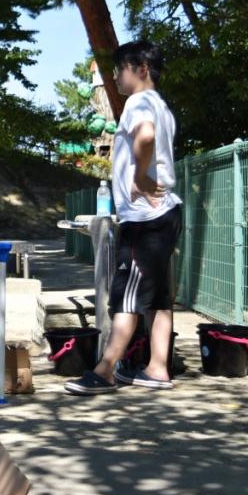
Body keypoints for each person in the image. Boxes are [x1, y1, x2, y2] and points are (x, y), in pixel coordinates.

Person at [65, 41, 183, 395]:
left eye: (120, 69)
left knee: (127, 295)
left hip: (146, 219)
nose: (115, 77)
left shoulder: (139, 102)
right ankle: (157, 368)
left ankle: (105, 370)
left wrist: (140, 177)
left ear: (141, 70)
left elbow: (144, 137)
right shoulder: (162, 107)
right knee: (158, 296)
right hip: (165, 215)